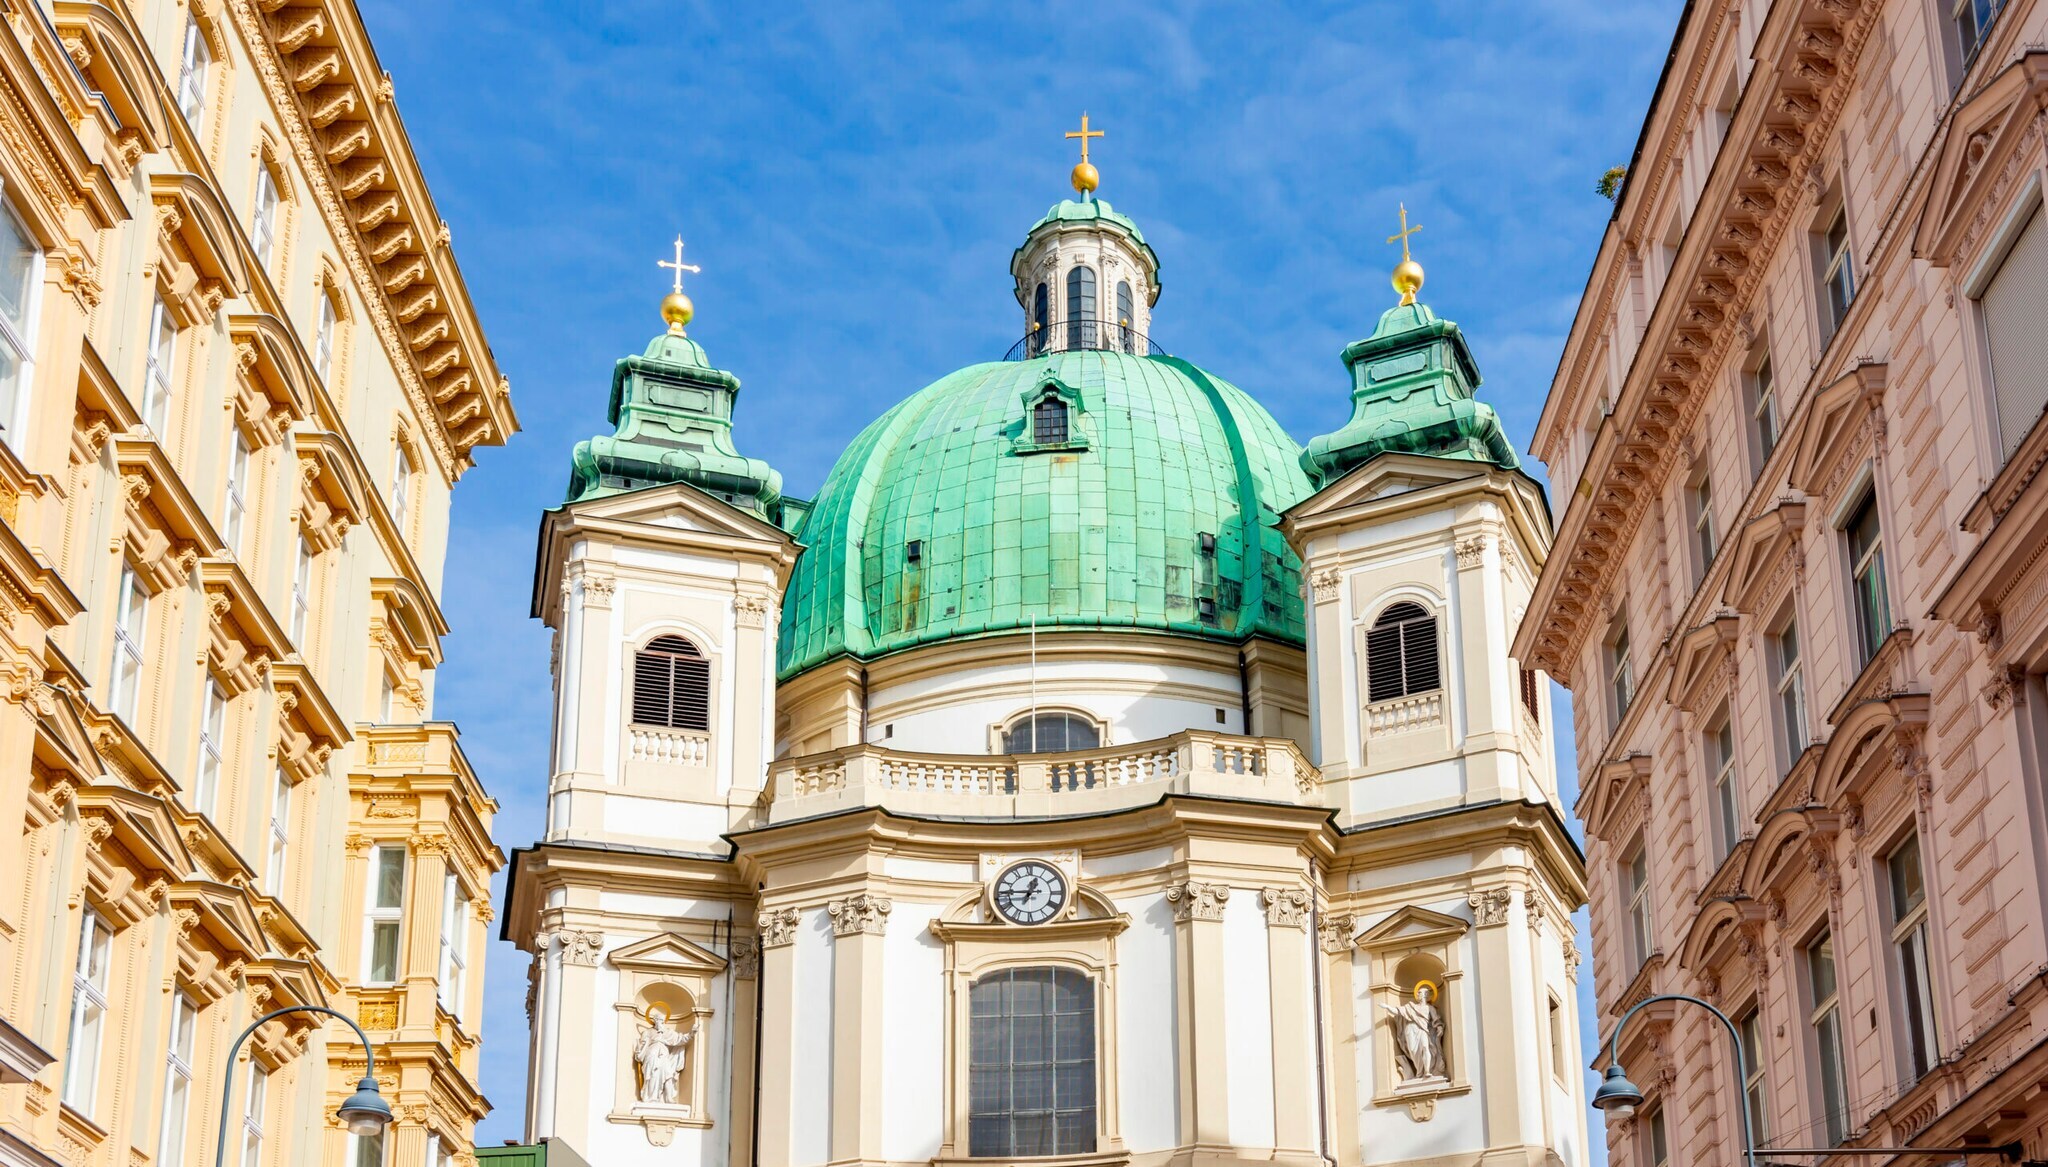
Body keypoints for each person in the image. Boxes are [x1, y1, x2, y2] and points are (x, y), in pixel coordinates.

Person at [634, 1005, 693, 1104]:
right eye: (659, 1020)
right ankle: (651, 1097)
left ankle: (668, 1098)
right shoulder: (647, 1032)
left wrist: (691, 1033)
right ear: (654, 1020)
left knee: (668, 1074)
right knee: (653, 1074)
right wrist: (649, 1042)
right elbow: (641, 1046)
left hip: (664, 1056)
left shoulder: (667, 1032)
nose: (661, 1022)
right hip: (651, 1055)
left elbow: (680, 1039)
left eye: (662, 1020)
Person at [1394, 981, 1446, 1081]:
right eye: (1418, 992)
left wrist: (1439, 1027)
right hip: (1411, 1030)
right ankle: (1419, 1072)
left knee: (1425, 1047)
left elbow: (1436, 1019)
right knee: (1413, 1051)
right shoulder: (1412, 1007)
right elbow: (1399, 1011)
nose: (1418, 994)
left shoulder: (1430, 1008)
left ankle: (1427, 1071)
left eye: (1420, 992)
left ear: (1426, 995)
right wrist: (1387, 1007)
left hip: (1423, 1030)